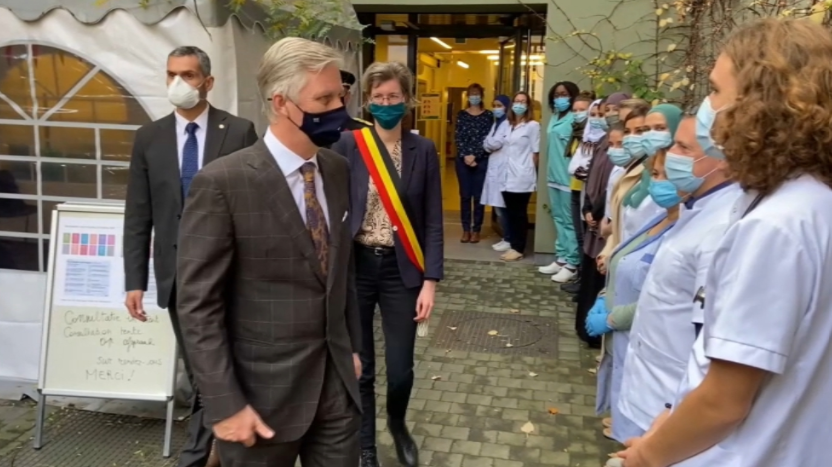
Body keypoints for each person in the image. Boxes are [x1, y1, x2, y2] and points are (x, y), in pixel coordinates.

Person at [616, 19, 832, 467]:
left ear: (761, 103)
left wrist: (646, 456)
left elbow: (723, 401)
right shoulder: (808, 201)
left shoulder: (775, 225)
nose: (706, 107)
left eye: (715, 90)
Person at [174, 37, 361, 467]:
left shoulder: (336, 169)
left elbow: (340, 270)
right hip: (259, 402)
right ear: (281, 103)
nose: (339, 108)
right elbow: (198, 306)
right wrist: (224, 405)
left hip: (336, 391)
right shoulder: (223, 183)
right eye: (325, 99)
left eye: (341, 95)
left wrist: (350, 347)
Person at [122, 45, 258, 467]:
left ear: (208, 82)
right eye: (171, 74)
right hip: (178, 277)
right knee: (202, 366)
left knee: (222, 364)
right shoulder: (149, 138)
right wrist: (134, 281)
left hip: (230, 273)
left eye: (189, 75)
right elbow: (138, 213)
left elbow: (255, 210)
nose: (178, 83)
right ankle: (207, 452)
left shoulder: (239, 132)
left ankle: (201, 454)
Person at [331, 61, 444, 467]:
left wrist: (430, 281)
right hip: (358, 267)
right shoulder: (348, 144)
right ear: (367, 101)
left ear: (407, 100)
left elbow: (433, 220)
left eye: (393, 96)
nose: (385, 103)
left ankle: (397, 424)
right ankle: (365, 445)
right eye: (378, 97)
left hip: (402, 269)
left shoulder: (422, 149)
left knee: (400, 369)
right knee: (361, 366)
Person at [614, 113, 742, 445]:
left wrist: (669, 423)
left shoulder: (723, 228)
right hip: (646, 392)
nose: (671, 156)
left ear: (723, 159)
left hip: (667, 413)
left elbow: (711, 344)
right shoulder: (694, 209)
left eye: (683, 148)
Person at [586, 147, 681, 443]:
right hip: (625, 331)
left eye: (668, 175)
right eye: (655, 174)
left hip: (642, 335)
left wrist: (612, 318)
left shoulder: (685, 230)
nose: (658, 182)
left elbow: (664, 296)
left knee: (641, 424)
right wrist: (604, 296)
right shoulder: (660, 219)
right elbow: (625, 257)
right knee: (623, 395)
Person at [573, 93, 630, 345]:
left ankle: (595, 334)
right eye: (607, 110)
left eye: (615, 109)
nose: (610, 115)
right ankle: (584, 327)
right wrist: (588, 207)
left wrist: (596, 212)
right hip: (594, 218)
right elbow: (592, 181)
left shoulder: (622, 149)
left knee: (601, 277)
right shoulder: (602, 142)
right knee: (590, 275)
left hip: (607, 223)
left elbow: (611, 188)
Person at [539, 81, 581, 282]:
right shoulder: (555, 116)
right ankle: (562, 257)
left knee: (569, 221)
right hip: (553, 176)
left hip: (568, 178)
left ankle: (572, 263)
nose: (559, 98)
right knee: (558, 218)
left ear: (572, 96)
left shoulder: (576, 118)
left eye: (564, 94)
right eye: (556, 95)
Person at [500, 91, 540, 262]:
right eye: (517, 101)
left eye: (523, 102)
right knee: (510, 213)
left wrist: (528, 170)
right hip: (506, 175)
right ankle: (513, 244)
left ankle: (519, 248)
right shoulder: (508, 125)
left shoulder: (532, 126)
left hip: (522, 176)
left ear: (528, 105)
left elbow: (536, 153)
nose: (519, 104)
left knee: (519, 213)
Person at [455, 83, 493, 243]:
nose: (474, 96)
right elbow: (459, 137)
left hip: (481, 161)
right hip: (462, 160)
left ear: (481, 96)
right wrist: (466, 156)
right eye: (472, 94)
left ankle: (476, 229)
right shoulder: (461, 115)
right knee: (465, 196)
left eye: (477, 94)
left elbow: (488, 138)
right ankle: (465, 230)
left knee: (478, 197)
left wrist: (475, 156)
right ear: (468, 96)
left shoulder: (488, 115)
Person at [482, 94, 513, 252]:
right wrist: (488, 143)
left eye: (499, 105)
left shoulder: (507, 123)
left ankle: (509, 238)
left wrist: (488, 143)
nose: (496, 108)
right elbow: (487, 144)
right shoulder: (497, 123)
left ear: (506, 107)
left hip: (502, 169)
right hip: (495, 167)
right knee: (499, 207)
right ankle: (506, 237)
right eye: (494, 105)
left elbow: (494, 143)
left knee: (503, 207)